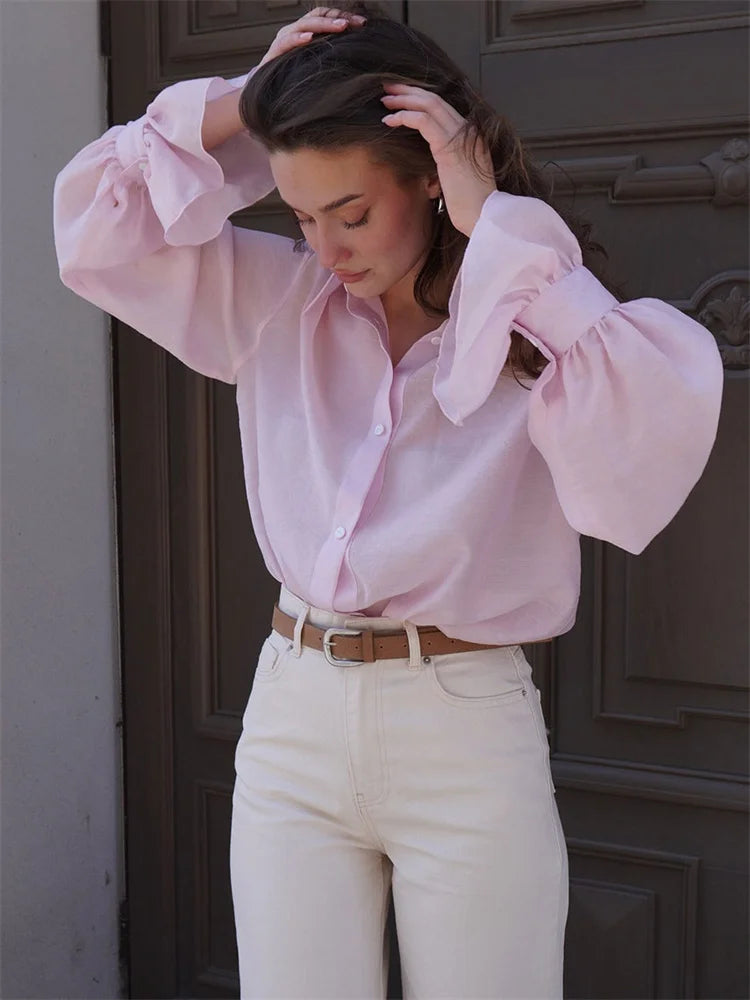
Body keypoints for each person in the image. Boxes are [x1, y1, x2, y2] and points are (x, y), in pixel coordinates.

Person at [52, 2, 724, 996]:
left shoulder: (541, 337)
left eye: (354, 213)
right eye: (304, 215)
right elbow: (97, 227)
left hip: (460, 726)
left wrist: (495, 224)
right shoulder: (275, 304)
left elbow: (654, 433)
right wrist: (242, 106)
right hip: (293, 715)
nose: (327, 246)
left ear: (430, 178)